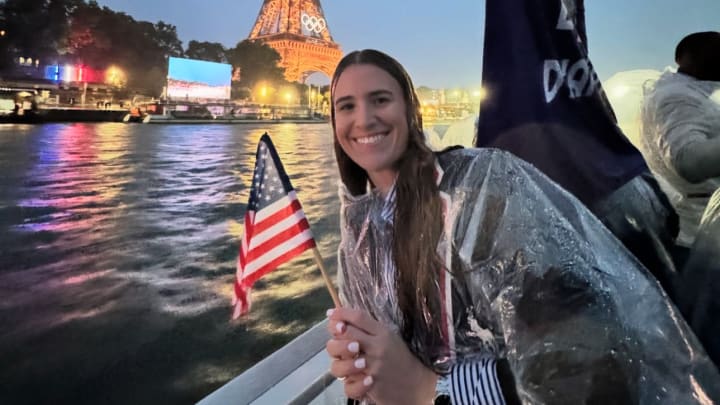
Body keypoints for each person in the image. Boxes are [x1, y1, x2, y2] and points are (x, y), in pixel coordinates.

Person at [324, 49, 719, 404]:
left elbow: (588, 355)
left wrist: (430, 391)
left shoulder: (482, 186)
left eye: (380, 99)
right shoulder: (358, 229)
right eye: (346, 106)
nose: (364, 118)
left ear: (410, 109)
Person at [639, 31, 720, 248]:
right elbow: (689, 160)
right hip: (699, 235)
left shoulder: (699, 93)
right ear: (684, 58)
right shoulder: (676, 97)